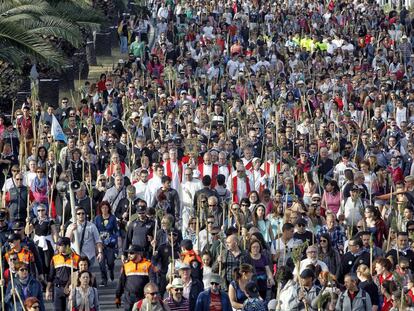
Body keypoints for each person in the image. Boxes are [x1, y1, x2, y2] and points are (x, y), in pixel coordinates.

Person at [116, 245, 156, 311]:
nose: (129, 255)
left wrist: (153, 294)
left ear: (139, 253)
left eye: (131, 253)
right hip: (129, 297)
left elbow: (153, 281)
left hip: (142, 297)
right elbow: (121, 282)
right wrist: (117, 296)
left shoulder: (148, 264)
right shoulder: (126, 265)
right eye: (128, 253)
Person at [46, 237, 80, 311]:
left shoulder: (76, 258)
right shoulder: (55, 258)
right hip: (58, 288)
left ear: (67, 246)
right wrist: (48, 289)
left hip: (71, 289)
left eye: (60, 245)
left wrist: (69, 286)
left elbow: (76, 275)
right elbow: (51, 275)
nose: (57, 247)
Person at [94, 201, 119, 286]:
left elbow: (116, 231)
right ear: (100, 209)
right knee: (101, 263)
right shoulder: (97, 218)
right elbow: (95, 230)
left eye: (106, 208)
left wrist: (113, 239)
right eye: (103, 208)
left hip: (110, 244)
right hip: (100, 244)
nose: (104, 209)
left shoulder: (112, 218)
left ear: (108, 208)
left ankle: (111, 270)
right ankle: (104, 279)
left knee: (110, 262)